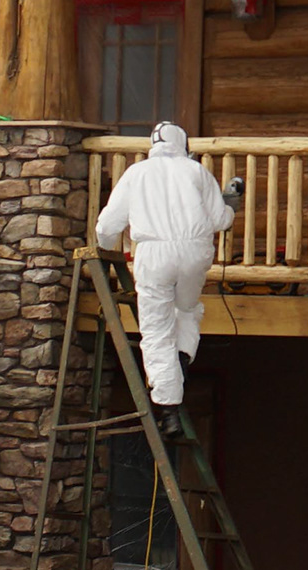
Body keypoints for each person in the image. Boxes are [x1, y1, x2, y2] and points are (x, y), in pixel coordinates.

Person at [93, 121, 232, 429]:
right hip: (195, 252)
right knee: (187, 309)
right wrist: (230, 205)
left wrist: (104, 255)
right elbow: (221, 220)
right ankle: (181, 357)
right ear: (183, 144)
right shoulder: (196, 172)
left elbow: (107, 226)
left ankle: (168, 409)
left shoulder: (137, 174)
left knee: (156, 330)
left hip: (154, 254)